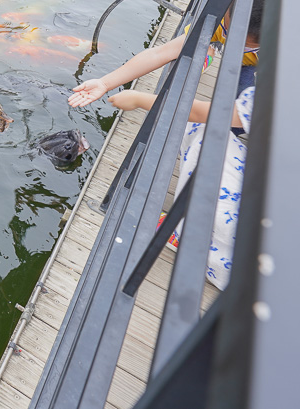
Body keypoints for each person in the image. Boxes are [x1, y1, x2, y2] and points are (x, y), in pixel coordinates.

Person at [108, 85, 253, 290]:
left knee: (202, 130)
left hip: (255, 233)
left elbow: (197, 112)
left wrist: (138, 98)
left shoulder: (283, 93)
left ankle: (189, 235)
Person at [68, 0, 265, 108]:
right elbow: (160, 53)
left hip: (258, 67)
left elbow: (233, 114)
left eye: (237, 41)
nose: (226, 37)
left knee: (243, 106)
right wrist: (104, 82)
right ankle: (209, 50)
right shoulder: (220, 22)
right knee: (206, 42)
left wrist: (140, 99)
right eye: (226, 30)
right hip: (245, 56)